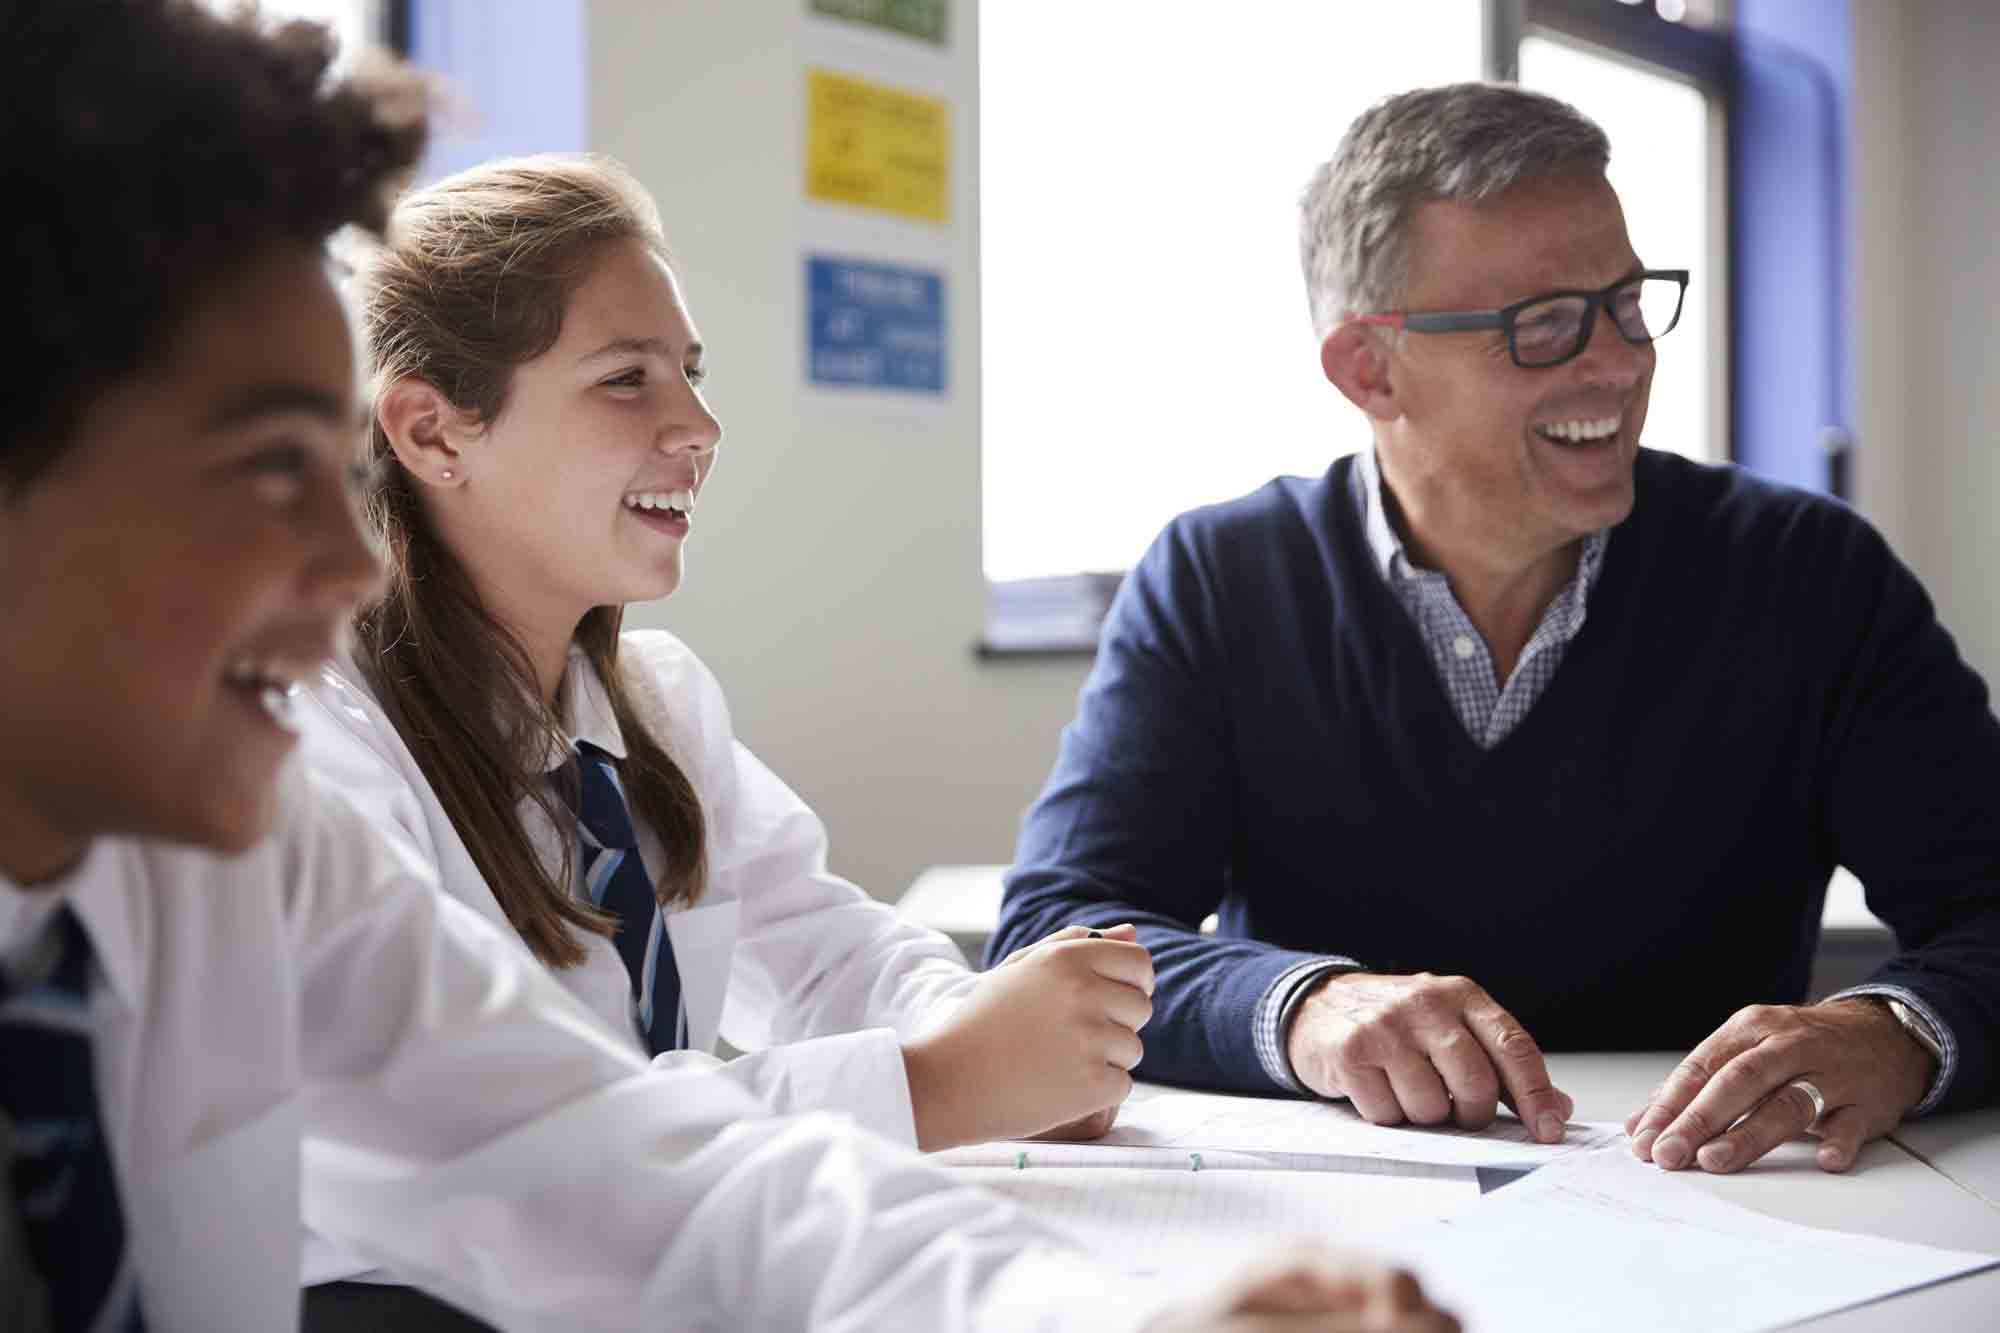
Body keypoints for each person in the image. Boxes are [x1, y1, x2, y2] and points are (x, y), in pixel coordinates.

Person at [0, 3, 1459, 1330]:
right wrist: (939, 1082)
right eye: (266, 465)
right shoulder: (316, 757)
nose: (345, 548)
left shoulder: (253, 854)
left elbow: (637, 1169)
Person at [993, 81, 2000, 1180]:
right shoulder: (1221, 576)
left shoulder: (1806, 574)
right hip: (1333, 1216)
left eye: (1626, 301)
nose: (1616, 362)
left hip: (1729, 1207)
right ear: (1367, 369)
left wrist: (1897, 1030)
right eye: (1545, 324)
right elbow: (1059, 934)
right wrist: (1303, 1008)